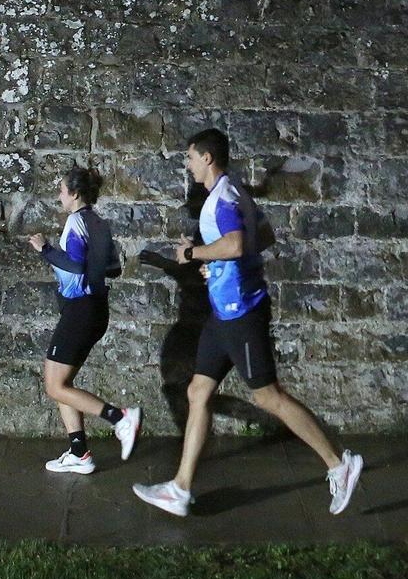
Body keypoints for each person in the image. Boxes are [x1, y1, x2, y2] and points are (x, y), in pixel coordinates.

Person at [133, 128, 363, 518]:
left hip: (241, 315)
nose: (187, 166)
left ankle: (339, 466)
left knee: (267, 397)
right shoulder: (235, 190)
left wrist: (194, 254)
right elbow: (265, 236)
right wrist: (220, 266)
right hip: (223, 314)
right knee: (198, 391)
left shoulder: (221, 200)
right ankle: (180, 488)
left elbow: (237, 244)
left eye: (190, 158)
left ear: (207, 158)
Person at [26, 166, 139, 474]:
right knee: (61, 383)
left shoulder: (76, 221)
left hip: (81, 311)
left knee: (54, 385)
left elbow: (75, 267)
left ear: (74, 194)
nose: (59, 195)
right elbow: (114, 269)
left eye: (61, 190)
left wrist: (45, 249)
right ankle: (79, 453)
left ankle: (120, 418)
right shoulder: (98, 223)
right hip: (95, 309)